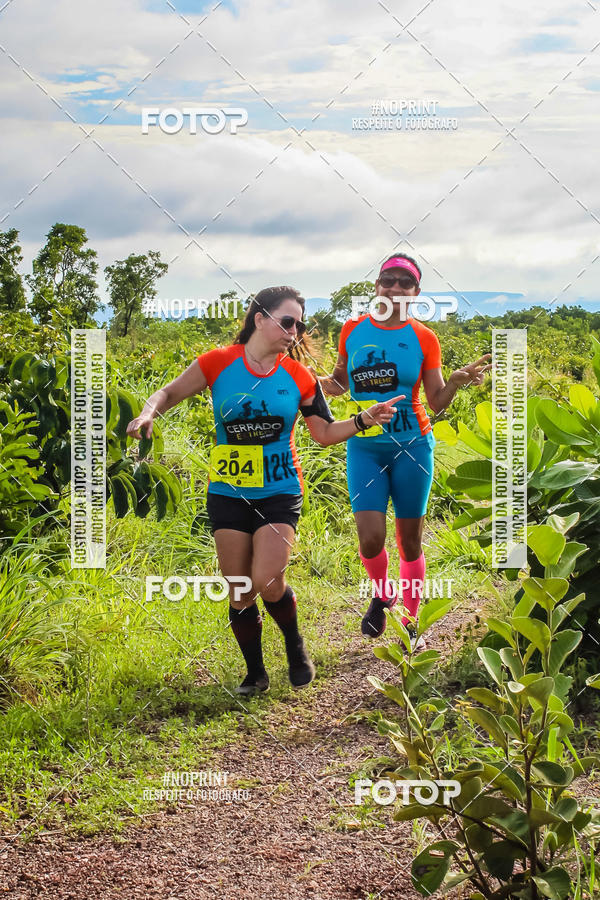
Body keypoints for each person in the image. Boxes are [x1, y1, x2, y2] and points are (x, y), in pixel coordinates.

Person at [126, 286, 404, 695]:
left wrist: (362, 419)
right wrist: (149, 412)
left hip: (279, 489)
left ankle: (294, 646)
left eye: (300, 324)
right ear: (260, 319)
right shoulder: (217, 363)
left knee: (268, 577)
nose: (295, 331)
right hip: (228, 490)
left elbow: (324, 433)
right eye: (287, 321)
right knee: (240, 588)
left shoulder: (299, 376)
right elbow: (168, 393)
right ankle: (255, 673)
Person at [320, 255, 491, 646]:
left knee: (409, 540)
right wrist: (296, 381)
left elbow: (435, 401)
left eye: (404, 283)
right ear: (377, 286)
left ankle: (411, 623)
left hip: (414, 446)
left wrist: (458, 381)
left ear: (416, 292)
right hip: (365, 448)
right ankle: (383, 595)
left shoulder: (424, 338)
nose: (394, 288)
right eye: (387, 281)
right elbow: (339, 383)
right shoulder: (352, 331)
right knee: (370, 539)